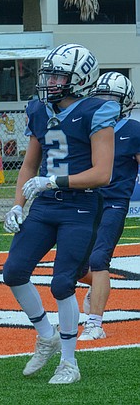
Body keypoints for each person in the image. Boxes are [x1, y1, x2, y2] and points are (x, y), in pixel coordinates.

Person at [1, 43, 117, 385]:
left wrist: (54, 180)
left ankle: (69, 362)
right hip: (47, 204)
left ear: (79, 79)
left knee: (63, 282)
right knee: (14, 271)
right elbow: (28, 164)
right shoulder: (39, 108)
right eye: (49, 74)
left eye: (58, 76)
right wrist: (17, 204)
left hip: (81, 205)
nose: (50, 81)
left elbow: (103, 173)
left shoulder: (98, 111)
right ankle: (46, 334)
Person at [76, 72, 140, 340]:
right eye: (100, 98)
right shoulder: (89, 126)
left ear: (124, 102)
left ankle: (95, 323)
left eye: (111, 98)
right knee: (76, 267)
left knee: (99, 259)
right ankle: (98, 286)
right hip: (86, 201)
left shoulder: (133, 130)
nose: (105, 103)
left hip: (113, 202)